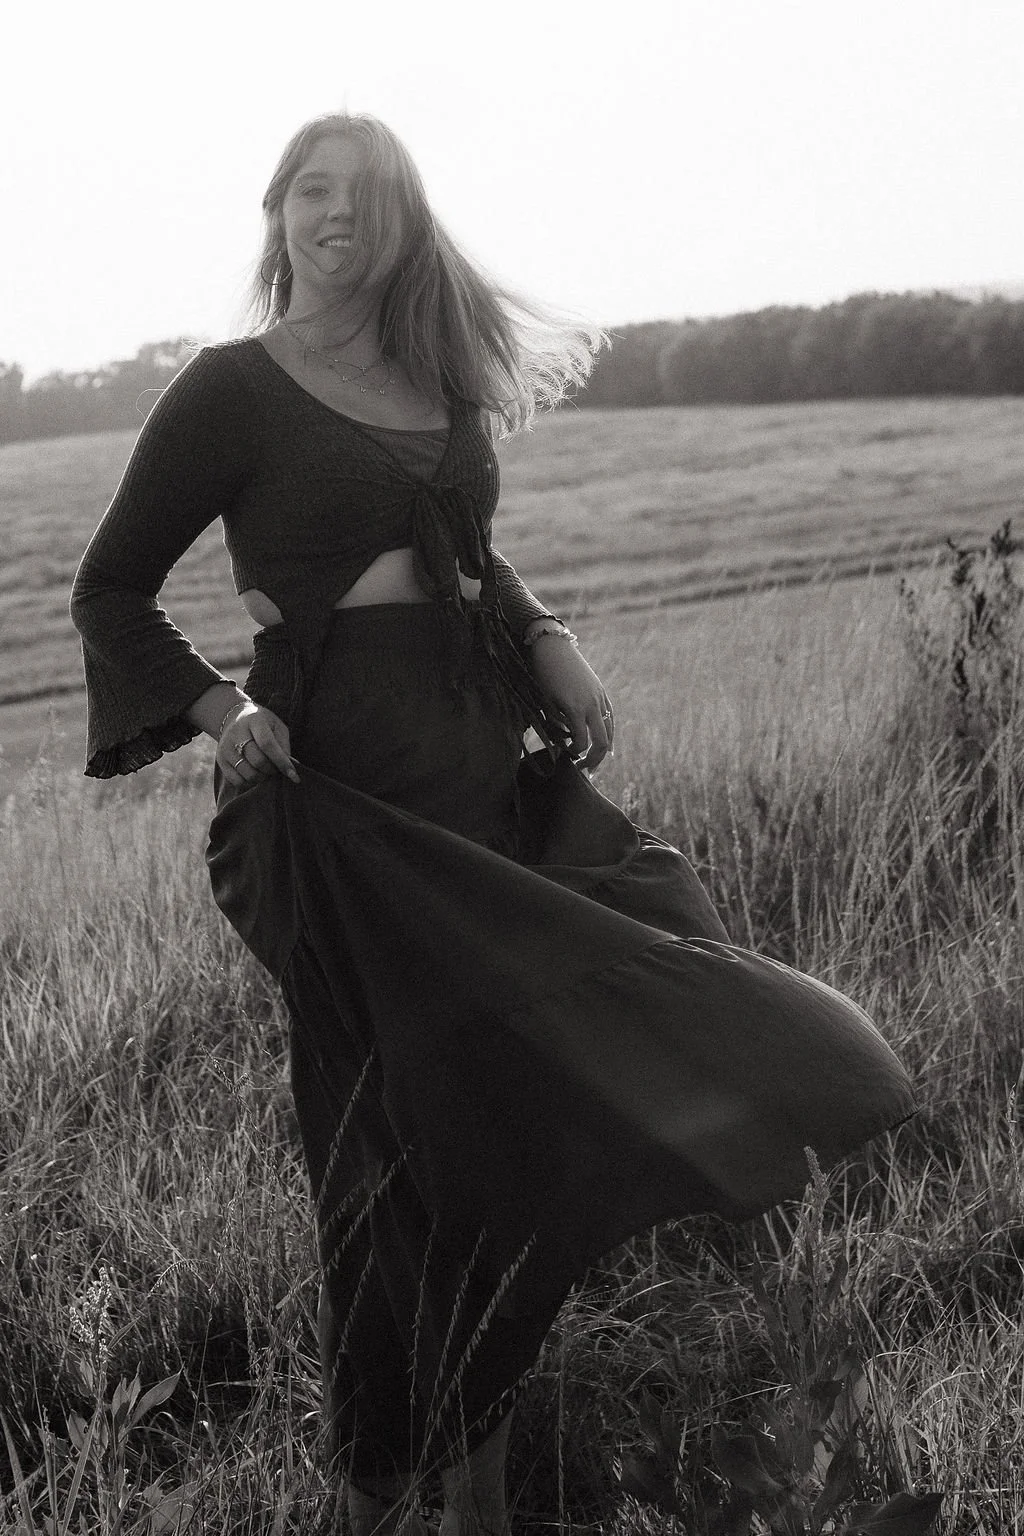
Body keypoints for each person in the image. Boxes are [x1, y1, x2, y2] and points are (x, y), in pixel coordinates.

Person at [71, 112, 916, 1536]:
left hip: (476, 768)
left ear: (408, 223)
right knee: (389, 1150)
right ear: (275, 213)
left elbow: (464, 548)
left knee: (537, 1092)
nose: (343, 216)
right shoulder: (227, 391)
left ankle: (476, 1489)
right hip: (336, 807)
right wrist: (226, 719)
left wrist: (548, 636)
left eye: (373, 196)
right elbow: (108, 591)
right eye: (316, 193)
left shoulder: (436, 378)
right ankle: (379, 1485)